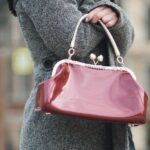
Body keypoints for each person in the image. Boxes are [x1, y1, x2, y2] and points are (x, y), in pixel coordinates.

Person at [7, 0, 135, 149]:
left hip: (113, 129)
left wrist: (116, 18)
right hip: (59, 131)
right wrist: (97, 7)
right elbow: (75, 41)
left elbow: (121, 46)